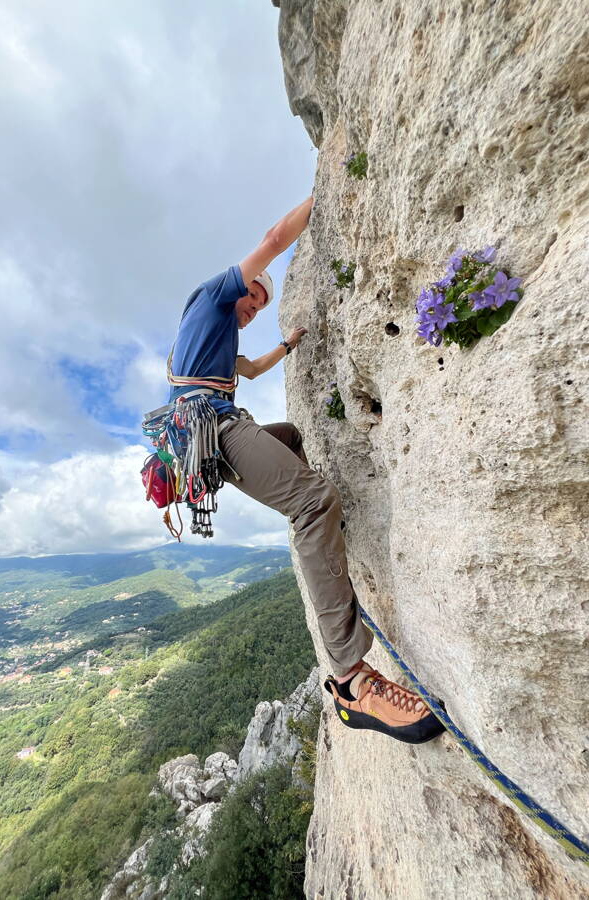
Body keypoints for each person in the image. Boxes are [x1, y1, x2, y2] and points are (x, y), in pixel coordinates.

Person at [167, 196, 444, 744]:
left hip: (207, 434)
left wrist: (287, 345)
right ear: (238, 287)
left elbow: (250, 368)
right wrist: (322, 192)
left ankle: (319, 532)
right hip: (215, 431)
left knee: (290, 437)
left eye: (260, 306)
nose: (253, 307)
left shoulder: (218, 342)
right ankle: (349, 679)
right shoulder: (209, 299)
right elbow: (273, 238)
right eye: (253, 296)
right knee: (315, 502)